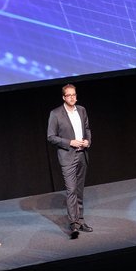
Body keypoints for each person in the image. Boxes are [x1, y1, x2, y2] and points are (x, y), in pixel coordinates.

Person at [46, 83, 92, 237]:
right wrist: (69, 142)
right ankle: (73, 224)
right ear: (63, 97)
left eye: (74, 94)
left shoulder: (82, 110)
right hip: (68, 156)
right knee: (71, 190)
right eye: (69, 95)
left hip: (82, 154)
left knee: (79, 190)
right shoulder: (56, 114)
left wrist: (87, 141)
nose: (72, 97)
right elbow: (51, 137)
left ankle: (81, 220)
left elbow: (87, 129)